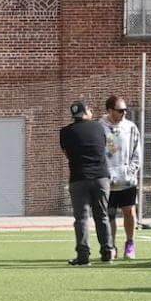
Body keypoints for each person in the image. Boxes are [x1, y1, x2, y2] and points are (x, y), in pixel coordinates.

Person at [58, 101, 112, 266]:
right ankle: (107, 251)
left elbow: (66, 154)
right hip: (101, 177)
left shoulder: (65, 132)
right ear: (86, 112)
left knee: (81, 218)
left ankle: (83, 255)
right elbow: (106, 148)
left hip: (78, 177)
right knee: (102, 215)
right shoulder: (99, 127)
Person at [101, 96, 142, 257]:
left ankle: (130, 243)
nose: (124, 113)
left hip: (127, 181)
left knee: (129, 212)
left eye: (125, 110)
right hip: (108, 181)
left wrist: (131, 172)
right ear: (110, 110)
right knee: (109, 214)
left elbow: (136, 153)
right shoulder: (100, 127)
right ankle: (111, 246)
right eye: (120, 110)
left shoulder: (130, 127)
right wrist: (104, 174)